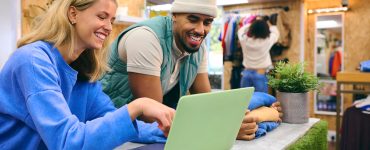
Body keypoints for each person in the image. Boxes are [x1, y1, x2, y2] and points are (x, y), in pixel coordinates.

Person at [0, 0, 175, 149]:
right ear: (73, 14)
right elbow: (68, 141)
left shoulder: (82, 71)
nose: (108, 27)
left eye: (112, 20)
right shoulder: (33, 61)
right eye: (102, 17)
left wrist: (173, 129)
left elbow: (112, 119)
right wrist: (138, 106)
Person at [100, 0, 282, 140]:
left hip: (163, 115)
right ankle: (261, 114)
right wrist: (224, 130)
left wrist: (225, 121)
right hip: (120, 122)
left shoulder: (197, 48)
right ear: (174, 15)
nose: (200, 30)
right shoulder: (146, 38)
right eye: (193, 19)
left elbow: (206, 103)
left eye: (208, 22)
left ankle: (261, 111)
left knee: (248, 101)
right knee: (245, 111)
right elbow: (153, 119)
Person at [238, 17, 280, 93]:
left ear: (252, 29)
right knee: (261, 101)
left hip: (246, 73)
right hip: (260, 74)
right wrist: (269, 24)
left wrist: (251, 24)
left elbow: (240, 31)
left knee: (245, 101)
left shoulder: (245, 40)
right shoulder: (267, 40)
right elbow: (275, 32)